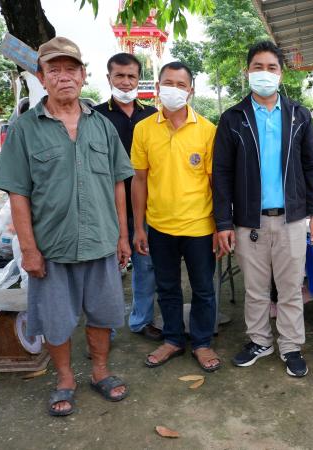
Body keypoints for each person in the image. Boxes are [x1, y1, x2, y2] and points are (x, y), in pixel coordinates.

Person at [0, 37, 134, 416]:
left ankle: (100, 371)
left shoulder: (102, 127)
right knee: (56, 320)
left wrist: (123, 237)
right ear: (42, 78)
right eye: (54, 70)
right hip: (51, 247)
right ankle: (65, 379)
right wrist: (28, 249)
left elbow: (118, 184)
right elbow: (17, 193)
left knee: (103, 315)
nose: (64, 77)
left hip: (101, 242)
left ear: (84, 75)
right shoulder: (25, 129)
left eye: (71, 69)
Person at [213, 41, 313, 377]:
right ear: (247, 72)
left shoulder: (299, 115)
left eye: (271, 67)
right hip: (250, 221)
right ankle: (259, 341)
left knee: (290, 288)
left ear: (281, 73)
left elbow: (311, 165)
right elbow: (221, 173)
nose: (265, 73)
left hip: (292, 218)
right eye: (257, 67)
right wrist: (223, 222)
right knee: (256, 289)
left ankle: (291, 346)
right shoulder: (233, 118)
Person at [131, 61, 222, 372]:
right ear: (158, 88)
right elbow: (139, 180)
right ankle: (172, 339)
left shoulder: (208, 130)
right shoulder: (144, 129)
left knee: (203, 288)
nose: (174, 89)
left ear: (191, 91)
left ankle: (202, 342)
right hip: (159, 226)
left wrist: (219, 226)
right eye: (168, 83)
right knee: (167, 287)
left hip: (199, 226)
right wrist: (139, 227)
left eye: (181, 85)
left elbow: (215, 183)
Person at [93, 53, 161, 341]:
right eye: (119, 76)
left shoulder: (153, 115)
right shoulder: (94, 116)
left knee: (146, 266)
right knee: (106, 270)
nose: (125, 82)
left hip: (145, 205)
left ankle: (141, 320)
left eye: (131, 76)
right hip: (107, 206)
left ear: (139, 79)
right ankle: (103, 330)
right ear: (108, 78)